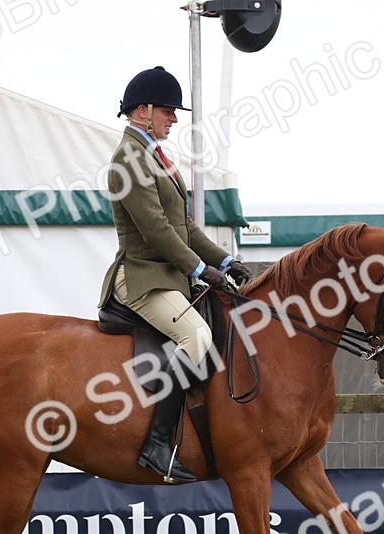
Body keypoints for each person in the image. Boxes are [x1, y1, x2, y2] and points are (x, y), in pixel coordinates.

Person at [98, 66, 252, 483]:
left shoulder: (155, 157)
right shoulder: (127, 160)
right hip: (142, 278)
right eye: (168, 110)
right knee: (197, 336)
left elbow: (184, 227)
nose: (175, 118)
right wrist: (200, 269)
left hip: (168, 276)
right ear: (143, 110)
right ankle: (157, 444)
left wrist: (223, 261)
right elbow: (155, 230)